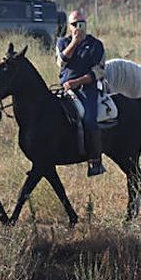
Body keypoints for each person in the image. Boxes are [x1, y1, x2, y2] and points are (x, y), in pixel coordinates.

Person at [57, 9, 107, 177]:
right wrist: (74, 43)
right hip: (64, 88)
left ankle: (95, 160)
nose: (78, 27)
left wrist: (77, 82)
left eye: (81, 23)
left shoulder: (96, 45)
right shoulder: (62, 43)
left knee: (89, 118)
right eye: (74, 24)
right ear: (69, 26)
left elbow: (99, 71)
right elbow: (61, 62)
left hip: (87, 89)